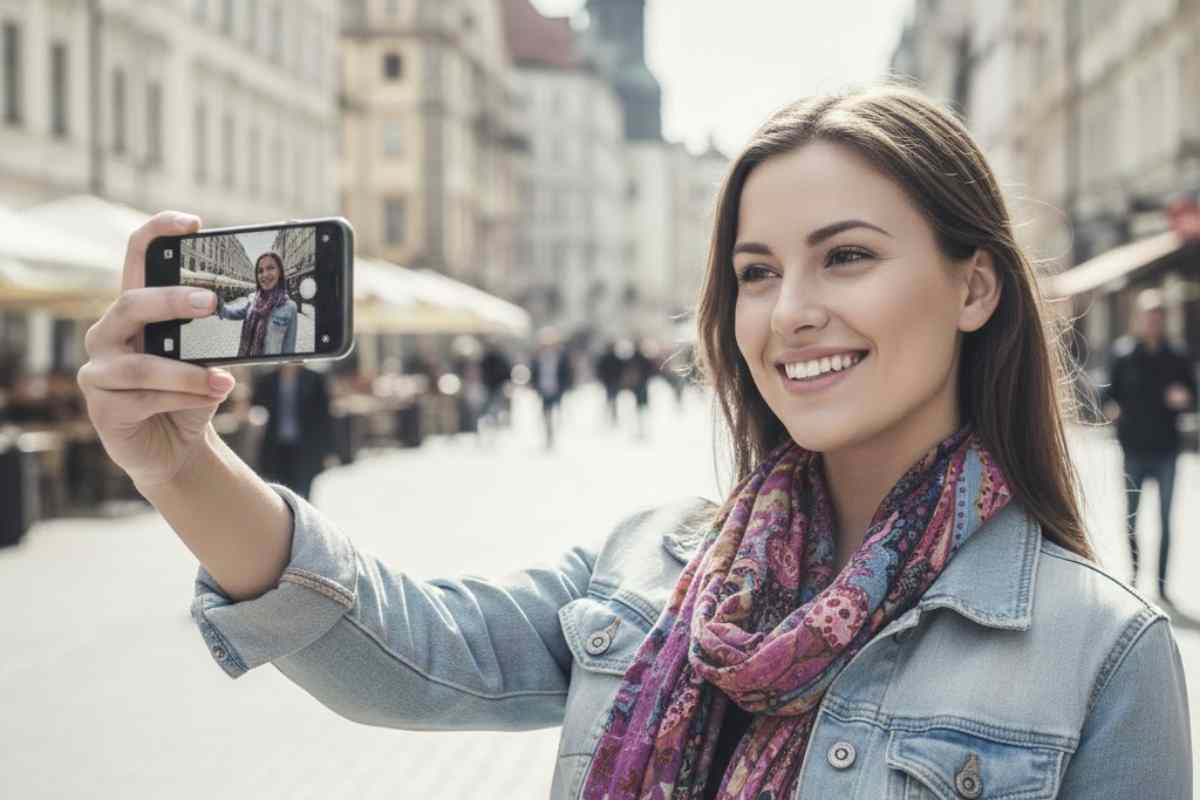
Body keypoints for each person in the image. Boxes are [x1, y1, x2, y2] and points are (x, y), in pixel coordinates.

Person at [76, 84, 1190, 798]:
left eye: (846, 256)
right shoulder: (653, 565)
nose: (791, 310)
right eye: (756, 272)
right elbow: (413, 657)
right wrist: (179, 463)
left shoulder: (1100, 654)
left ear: (975, 286)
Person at [1104, 289, 1196, 605]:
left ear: (1164, 320)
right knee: (1131, 517)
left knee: (1166, 521)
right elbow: (1107, 395)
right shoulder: (1124, 354)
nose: (1153, 322)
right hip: (1133, 450)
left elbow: (1193, 396)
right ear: (1139, 319)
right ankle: (1133, 576)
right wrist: (1110, 409)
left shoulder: (1177, 356)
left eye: (1158, 317)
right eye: (1148, 317)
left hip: (1167, 451)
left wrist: (1185, 399)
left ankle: (1161, 585)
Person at [251, 363, 335, 502]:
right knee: (281, 491)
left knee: (304, 489)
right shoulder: (267, 379)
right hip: (277, 446)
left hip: (306, 446)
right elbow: (256, 405)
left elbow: (324, 417)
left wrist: (328, 449)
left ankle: (303, 514)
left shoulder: (314, 378)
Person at [212, 252, 298, 358]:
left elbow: (289, 349)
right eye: (260, 271)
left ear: (280, 272)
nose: (265, 274)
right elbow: (236, 313)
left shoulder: (290, 307)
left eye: (270, 268)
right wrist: (219, 306)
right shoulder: (252, 298)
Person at [529, 327, 574, 450]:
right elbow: (534, 372)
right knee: (546, 412)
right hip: (543, 388)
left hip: (557, 388)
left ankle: (553, 433)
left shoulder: (561, 356)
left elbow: (568, 372)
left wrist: (567, 385)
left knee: (556, 411)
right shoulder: (538, 357)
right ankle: (548, 434)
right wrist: (534, 385)